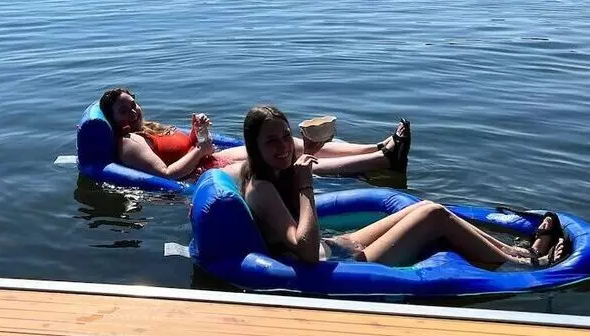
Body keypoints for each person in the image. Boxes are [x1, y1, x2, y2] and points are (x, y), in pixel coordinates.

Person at [239, 105, 570, 268]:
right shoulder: (262, 187)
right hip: (335, 264)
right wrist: (305, 187)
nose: (283, 146)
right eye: (272, 141)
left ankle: (517, 251)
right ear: (254, 146)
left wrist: (306, 157)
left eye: (286, 137)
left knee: (421, 207)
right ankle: (524, 265)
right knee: (435, 215)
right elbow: (306, 252)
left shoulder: (273, 170)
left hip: (336, 245)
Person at [98, 87, 412, 181]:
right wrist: (200, 150)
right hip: (203, 176)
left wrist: (197, 132)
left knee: (291, 145)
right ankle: (383, 162)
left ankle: (376, 147)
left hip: (211, 160)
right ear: (115, 121)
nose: (135, 111)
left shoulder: (147, 128)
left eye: (134, 103)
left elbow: (185, 149)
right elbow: (167, 174)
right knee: (280, 162)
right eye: (124, 110)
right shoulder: (129, 143)